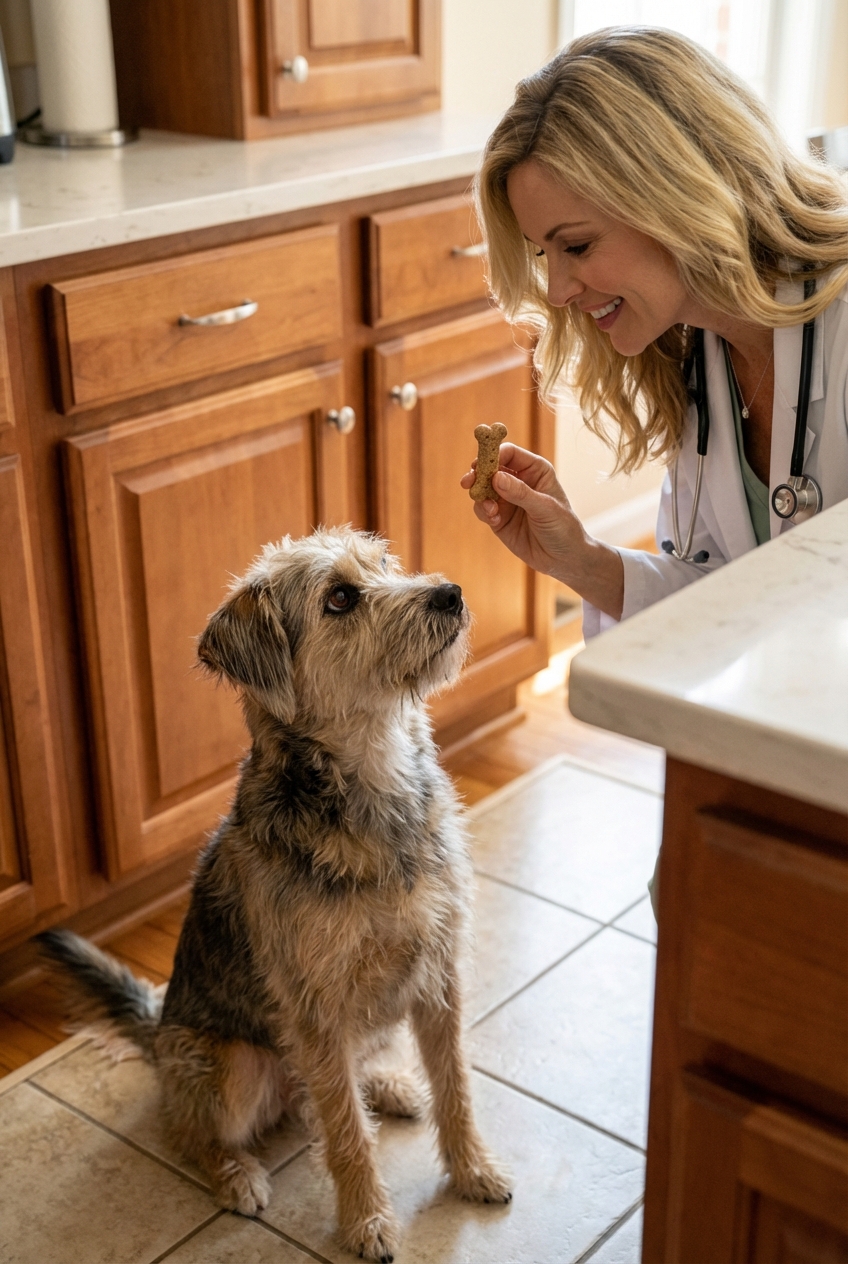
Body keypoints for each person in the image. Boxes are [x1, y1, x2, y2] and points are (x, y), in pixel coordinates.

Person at [461, 27, 848, 642]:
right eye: (543, 254)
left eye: (578, 246)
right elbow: (728, 595)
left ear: (676, 196)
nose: (558, 291)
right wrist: (580, 559)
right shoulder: (698, 356)